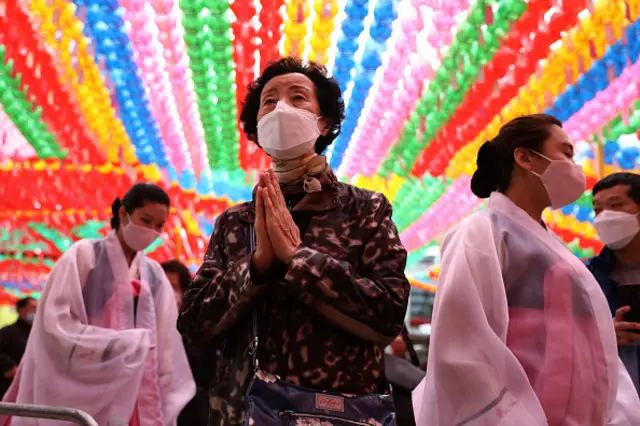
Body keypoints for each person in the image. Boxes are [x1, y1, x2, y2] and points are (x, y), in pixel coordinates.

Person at [178, 57, 410, 426]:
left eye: (298, 97)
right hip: (243, 413)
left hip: (338, 416)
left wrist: (299, 260)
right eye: (269, 101)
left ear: (324, 122)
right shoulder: (236, 221)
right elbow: (193, 323)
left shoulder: (365, 209)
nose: (280, 108)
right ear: (257, 126)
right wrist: (256, 267)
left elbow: (388, 312)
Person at [412, 114, 640, 425]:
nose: (575, 167)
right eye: (567, 153)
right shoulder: (481, 233)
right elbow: (462, 347)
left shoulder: (550, 244)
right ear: (525, 158)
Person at [1, 183, 195, 426]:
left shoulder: (153, 274)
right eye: (145, 220)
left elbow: (165, 343)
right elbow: (56, 324)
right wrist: (125, 344)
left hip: (135, 391)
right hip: (79, 387)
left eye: (159, 226)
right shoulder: (84, 256)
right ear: (123, 214)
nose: (152, 231)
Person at [588, 172, 640, 392]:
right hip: (615, 401)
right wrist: (601, 336)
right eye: (598, 210)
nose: (604, 217)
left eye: (616, 205)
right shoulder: (585, 277)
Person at [161, 260, 214, 426]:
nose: (165, 292)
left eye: (172, 286)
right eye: (161, 285)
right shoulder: (143, 332)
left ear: (185, 293)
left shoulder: (197, 333)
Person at [0, 297, 37, 396]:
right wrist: (9, 366)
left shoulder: (39, 333)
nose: (36, 311)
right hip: (9, 386)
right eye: (33, 308)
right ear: (21, 310)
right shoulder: (7, 332)